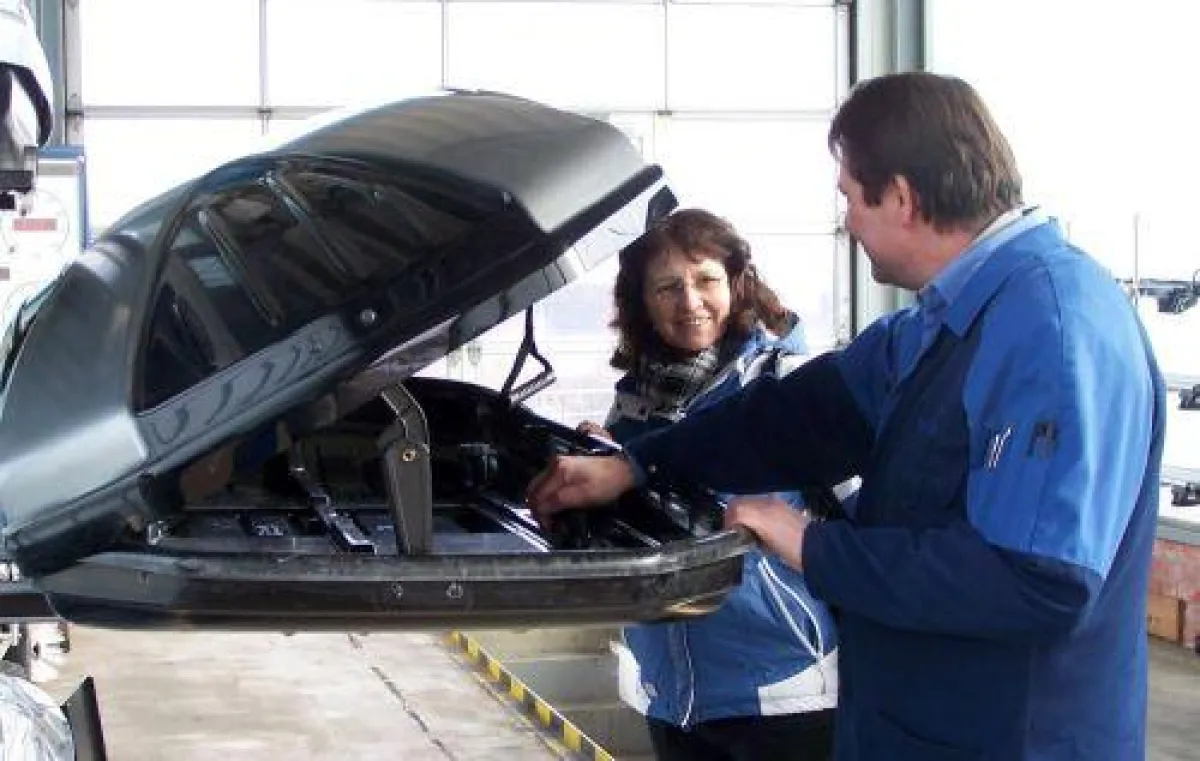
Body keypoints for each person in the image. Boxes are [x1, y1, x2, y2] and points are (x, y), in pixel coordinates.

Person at [527, 71, 1165, 761]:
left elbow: (1038, 579)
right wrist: (635, 463)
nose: (845, 221)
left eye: (850, 197)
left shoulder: (1051, 327)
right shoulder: (944, 318)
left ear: (900, 196)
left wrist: (812, 543)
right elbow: (802, 414)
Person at [573, 208, 836, 761]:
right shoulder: (635, 404)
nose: (689, 302)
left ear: (737, 284)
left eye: (706, 281)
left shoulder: (785, 382)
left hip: (783, 691)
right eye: (667, 287)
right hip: (672, 694)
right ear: (641, 304)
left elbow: (865, 516)